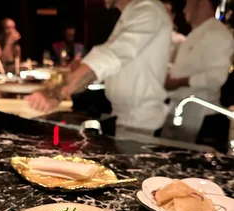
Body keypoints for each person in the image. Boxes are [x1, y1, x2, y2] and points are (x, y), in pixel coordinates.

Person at [27, 0, 172, 135]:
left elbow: (108, 57)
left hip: (142, 124)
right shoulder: (134, 12)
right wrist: (80, 72)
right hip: (127, 119)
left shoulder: (149, 9)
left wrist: (56, 93)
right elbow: (114, 66)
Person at [161, 0, 234, 143]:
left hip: (198, 119)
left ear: (203, 3)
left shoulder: (218, 34)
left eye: (188, 2)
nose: (184, 8)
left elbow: (216, 77)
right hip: (178, 113)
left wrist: (178, 82)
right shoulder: (197, 33)